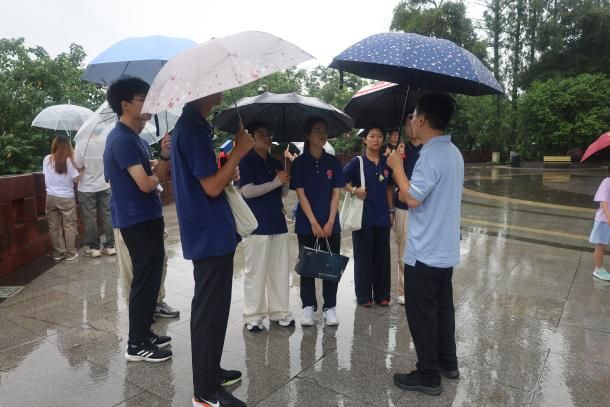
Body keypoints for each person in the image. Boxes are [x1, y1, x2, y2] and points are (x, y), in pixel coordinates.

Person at [171, 92, 251, 407]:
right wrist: (239, 152)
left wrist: (229, 165)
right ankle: (205, 392)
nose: (221, 90)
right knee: (208, 312)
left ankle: (211, 371)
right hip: (208, 233)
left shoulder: (196, 125)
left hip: (212, 231)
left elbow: (211, 179)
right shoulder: (191, 128)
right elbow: (212, 186)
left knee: (216, 309)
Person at [387, 92, 463, 396]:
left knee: (422, 314)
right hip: (444, 250)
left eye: (413, 116)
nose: (410, 122)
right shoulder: (453, 152)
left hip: (425, 252)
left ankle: (429, 374)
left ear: (421, 120)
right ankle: (448, 363)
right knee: (443, 309)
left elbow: (413, 198)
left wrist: (397, 168)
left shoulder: (430, 155)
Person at [103, 77, 172, 363]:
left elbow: (152, 177)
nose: (149, 104)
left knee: (152, 278)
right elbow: (146, 184)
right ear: (126, 105)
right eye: (143, 99)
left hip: (147, 216)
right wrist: (155, 173)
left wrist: (162, 157)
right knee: (144, 280)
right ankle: (135, 344)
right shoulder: (121, 139)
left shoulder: (135, 139)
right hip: (136, 219)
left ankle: (144, 333)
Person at [113, 133, 180, 318]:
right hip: (128, 218)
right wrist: (143, 175)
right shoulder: (117, 141)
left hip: (151, 213)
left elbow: (153, 176)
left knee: (160, 261)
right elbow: (116, 179)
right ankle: (138, 312)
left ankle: (156, 301)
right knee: (133, 269)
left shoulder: (142, 142)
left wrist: (161, 157)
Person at [239, 121, 294, 331]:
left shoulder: (275, 161)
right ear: (251, 137)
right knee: (256, 271)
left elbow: (282, 194)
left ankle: (280, 311)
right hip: (256, 225)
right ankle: (253, 315)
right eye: (261, 133)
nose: (267, 137)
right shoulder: (246, 161)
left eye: (268, 133)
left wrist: (285, 180)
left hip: (278, 222)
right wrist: (276, 182)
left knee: (280, 270)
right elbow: (247, 191)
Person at [290, 117, 345, 326]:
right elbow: (301, 194)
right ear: (307, 135)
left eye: (324, 130)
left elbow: (336, 193)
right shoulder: (299, 163)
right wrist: (313, 222)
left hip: (331, 224)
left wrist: (330, 221)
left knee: (330, 265)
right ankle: (308, 307)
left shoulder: (333, 162)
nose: (322, 134)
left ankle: (330, 307)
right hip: (307, 224)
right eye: (317, 130)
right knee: (308, 265)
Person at [343, 126, 393, 307]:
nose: (376, 139)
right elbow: (340, 180)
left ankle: (382, 295)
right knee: (363, 258)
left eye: (379, 136)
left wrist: (391, 211)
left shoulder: (387, 163)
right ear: (365, 139)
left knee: (382, 258)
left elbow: (389, 188)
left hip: (382, 217)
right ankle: (364, 296)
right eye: (372, 136)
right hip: (363, 219)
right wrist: (354, 190)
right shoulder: (357, 162)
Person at [393, 117, 423, 305]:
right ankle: (403, 290)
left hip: (423, 207)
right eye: (407, 123)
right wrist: (397, 159)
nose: (411, 126)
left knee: (423, 250)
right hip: (403, 206)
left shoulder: (429, 150)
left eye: (414, 121)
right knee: (403, 249)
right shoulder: (401, 150)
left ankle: (420, 288)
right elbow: (392, 178)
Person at [74, 129, 115, 258]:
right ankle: (111, 246)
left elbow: (78, 165)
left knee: (90, 218)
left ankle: (94, 248)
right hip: (104, 184)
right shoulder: (104, 140)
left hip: (86, 187)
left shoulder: (80, 143)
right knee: (107, 214)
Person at [43, 135, 80, 262]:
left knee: (54, 227)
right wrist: (81, 170)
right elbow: (76, 180)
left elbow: (46, 175)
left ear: (55, 145)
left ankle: (58, 253)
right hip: (66, 198)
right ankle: (70, 254)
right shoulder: (69, 161)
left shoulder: (47, 159)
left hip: (50, 197)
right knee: (69, 226)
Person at [589, 172, 610, 281]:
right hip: (604, 220)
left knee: (603, 245)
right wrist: (609, 217)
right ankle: (598, 269)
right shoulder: (607, 182)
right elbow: (603, 201)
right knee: (601, 246)